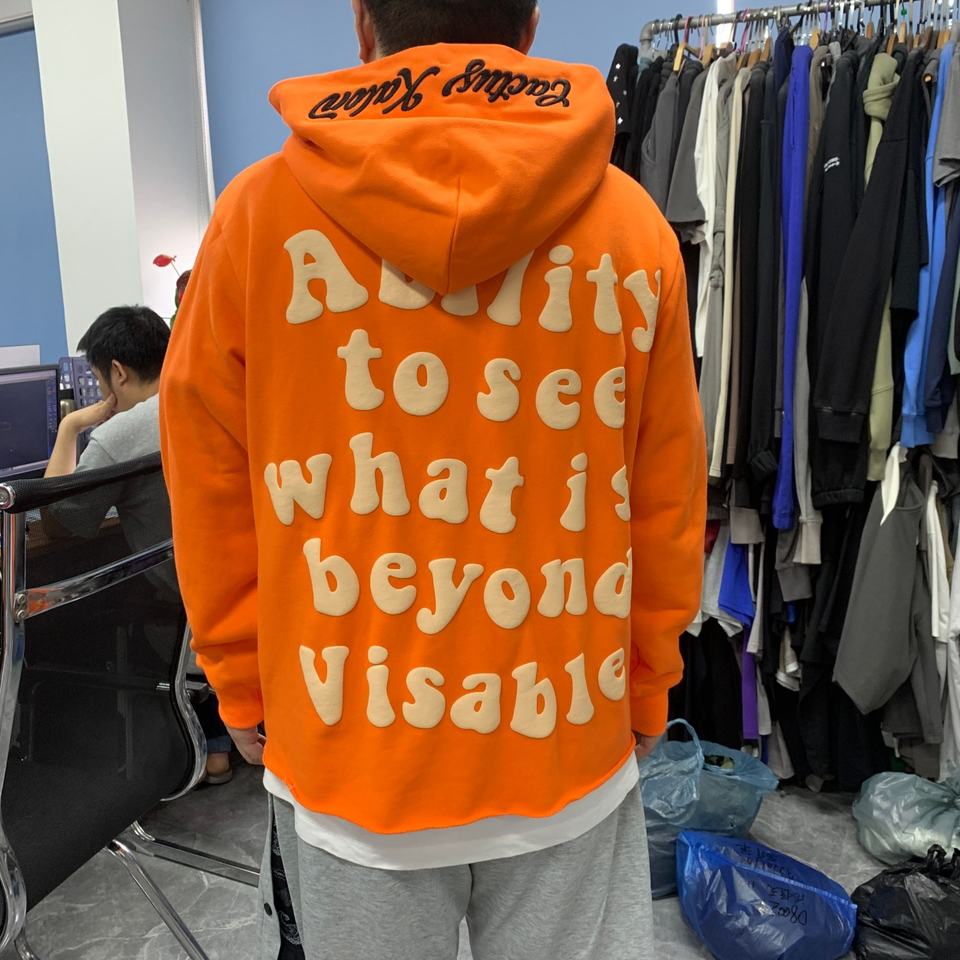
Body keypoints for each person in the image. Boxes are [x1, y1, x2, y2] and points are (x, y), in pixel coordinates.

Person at [160, 2, 706, 958]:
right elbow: (666, 494)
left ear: (362, 23)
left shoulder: (254, 219)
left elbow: (208, 480)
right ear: (528, 25)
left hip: (349, 751)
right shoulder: (632, 227)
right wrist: (649, 681)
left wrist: (239, 687)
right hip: (566, 738)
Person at [45, 305, 235, 785]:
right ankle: (216, 739)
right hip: (234, 595)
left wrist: (70, 428)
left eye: (98, 380)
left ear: (117, 372)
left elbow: (62, 522)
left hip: (180, 614)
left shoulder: (119, 435)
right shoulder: (214, 397)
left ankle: (195, 739)